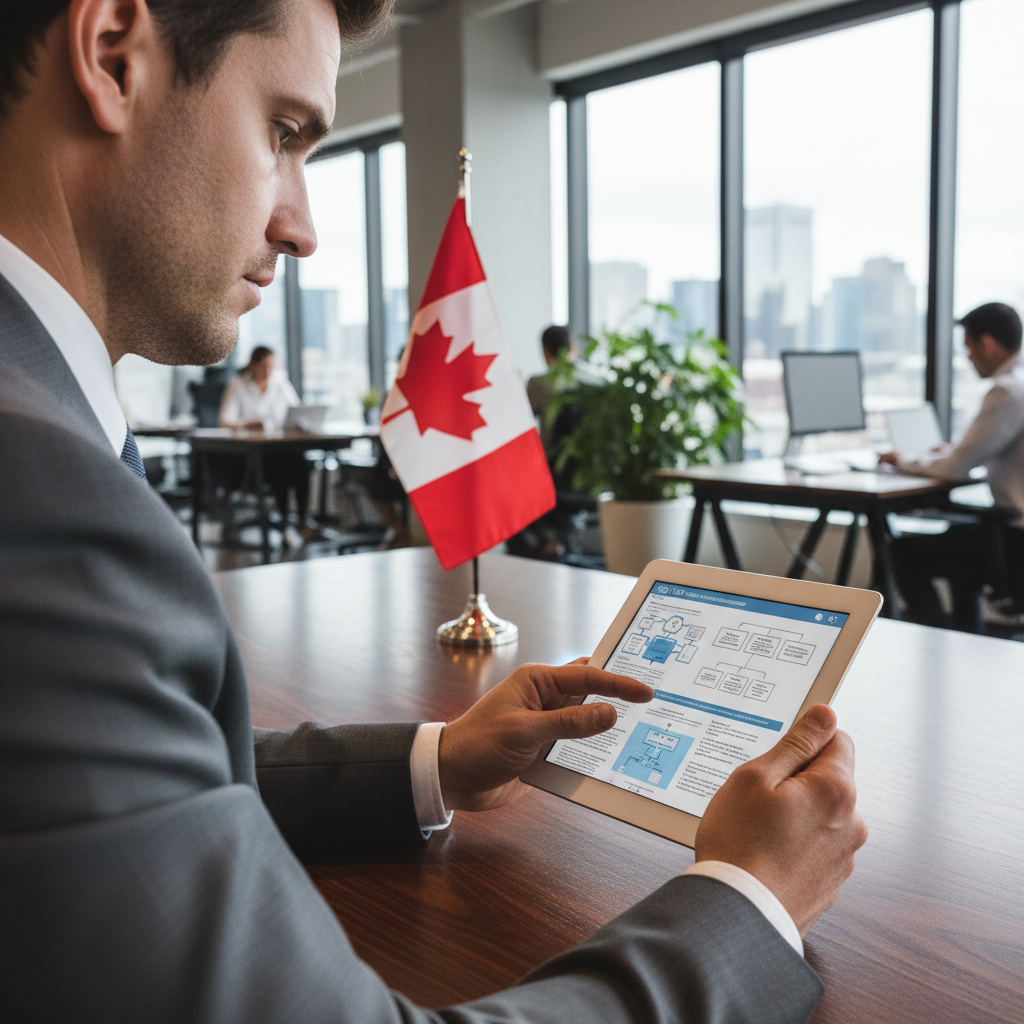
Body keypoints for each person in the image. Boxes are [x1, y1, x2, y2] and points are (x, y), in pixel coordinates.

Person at [0, 2, 866, 1021]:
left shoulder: (44, 427)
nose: (303, 226)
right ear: (112, 56)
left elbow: (124, 787)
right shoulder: (39, 493)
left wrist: (436, 760)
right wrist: (747, 897)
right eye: (283, 132)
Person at [879, 302, 1024, 631]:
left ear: (986, 343)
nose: (968, 358)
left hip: (1015, 539)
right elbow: (976, 452)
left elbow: (954, 468)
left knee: (900, 554)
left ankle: (939, 638)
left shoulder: (1009, 390)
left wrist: (901, 458)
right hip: (1009, 531)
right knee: (958, 539)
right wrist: (952, 452)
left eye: (968, 348)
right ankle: (966, 631)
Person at [219, 344, 316, 537]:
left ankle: (302, 522)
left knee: (299, 465)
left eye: (272, 366)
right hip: (249, 456)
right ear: (252, 365)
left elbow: (296, 413)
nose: (268, 371)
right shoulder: (237, 386)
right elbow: (224, 421)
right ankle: (286, 524)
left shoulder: (280, 385)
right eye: (264, 366)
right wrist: (247, 424)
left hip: (278, 448)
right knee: (282, 468)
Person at [527, 324, 574, 450]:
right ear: (573, 348)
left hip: (550, 458)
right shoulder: (587, 382)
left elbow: (523, 421)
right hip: (585, 459)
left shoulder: (537, 384)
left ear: (544, 351)